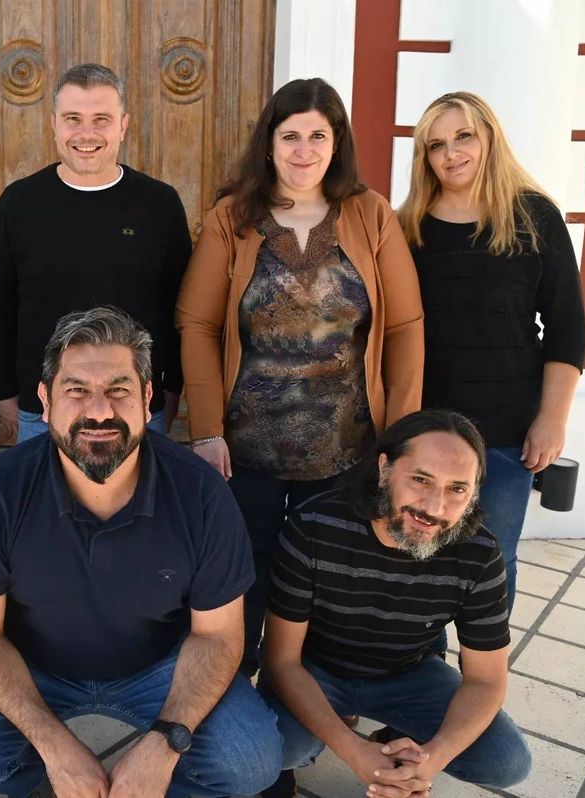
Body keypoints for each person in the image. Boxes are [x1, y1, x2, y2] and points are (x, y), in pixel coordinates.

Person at [0, 307, 283, 798]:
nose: (99, 411)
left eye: (118, 390)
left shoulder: (202, 494)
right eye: (76, 391)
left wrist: (163, 746)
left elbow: (218, 639)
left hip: (162, 667)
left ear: (147, 399)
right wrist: (55, 750)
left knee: (252, 762)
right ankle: (61, 786)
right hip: (32, 667)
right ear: (44, 401)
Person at [176, 77, 424, 672]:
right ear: (269, 142)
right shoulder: (231, 219)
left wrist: (405, 437)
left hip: (347, 447)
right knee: (246, 573)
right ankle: (234, 693)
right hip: (245, 448)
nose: (304, 150)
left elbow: (405, 326)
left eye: (318, 135)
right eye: (291, 135)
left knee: (327, 578)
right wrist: (206, 430)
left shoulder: (370, 216)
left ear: (337, 143)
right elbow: (197, 325)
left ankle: (308, 703)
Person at [259, 409, 532, 798]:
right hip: (315, 669)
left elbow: (486, 679)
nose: (435, 507)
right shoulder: (313, 525)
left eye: (458, 489)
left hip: (408, 673)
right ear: (385, 469)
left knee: (507, 762)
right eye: (420, 479)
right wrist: (353, 751)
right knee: (272, 751)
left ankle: (397, 740)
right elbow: (281, 660)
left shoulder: (479, 553)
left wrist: (429, 761)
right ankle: (331, 739)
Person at [399, 91, 585, 611]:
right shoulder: (408, 226)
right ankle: (424, 667)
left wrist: (553, 418)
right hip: (425, 427)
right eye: (436, 145)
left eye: (463, 137)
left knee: (493, 559)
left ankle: (486, 679)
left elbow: (568, 326)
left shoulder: (534, 217)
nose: (451, 153)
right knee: (420, 558)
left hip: (506, 432)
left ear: (488, 139)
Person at [0, 63, 192, 443]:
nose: (86, 133)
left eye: (101, 119)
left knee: (137, 505)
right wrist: (4, 394)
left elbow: (180, 308)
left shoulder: (159, 204)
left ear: (123, 124)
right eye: (73, 119)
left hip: (136, 407)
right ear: (53, 123)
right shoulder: (19, 203)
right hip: (41, 412)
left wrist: (174, 386)